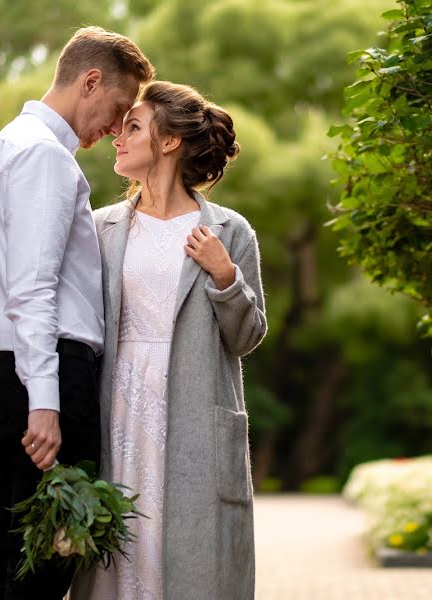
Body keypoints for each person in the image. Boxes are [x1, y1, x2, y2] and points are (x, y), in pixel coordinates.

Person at [0, 26, 155, 600]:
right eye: (119, 108)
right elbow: (32, 288)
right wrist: (45, 401)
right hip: (44, 377)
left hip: (20, 370)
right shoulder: (42, 156)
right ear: (90, 82)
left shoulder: (13, 145)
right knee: (42, 563)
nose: (117, 128)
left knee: (17, 559)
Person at [69, 81, 267, 600]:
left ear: (169, 142)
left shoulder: (228, 231)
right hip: (115, 412)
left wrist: (227, 279)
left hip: (193, 417)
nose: (117, 135)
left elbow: (247, 338)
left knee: (187, 561)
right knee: (115, 552)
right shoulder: (100, 228)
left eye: (132, 126)